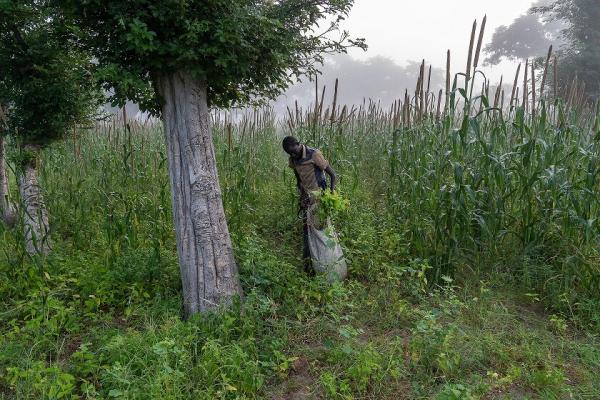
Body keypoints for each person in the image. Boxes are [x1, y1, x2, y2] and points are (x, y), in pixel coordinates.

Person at [282, 136, 337, 273]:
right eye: (290, 153)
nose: (293, 155)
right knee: (307, 232)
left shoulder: (314, 154)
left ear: (298, 144)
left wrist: (330, 195)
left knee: (322, 231)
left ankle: (329, 264)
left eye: (293, 151)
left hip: (320, 199)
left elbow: (333, 175)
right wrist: (302, 197)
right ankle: (308, 266)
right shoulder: (293, 160)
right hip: (307, 200)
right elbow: (299, 181)